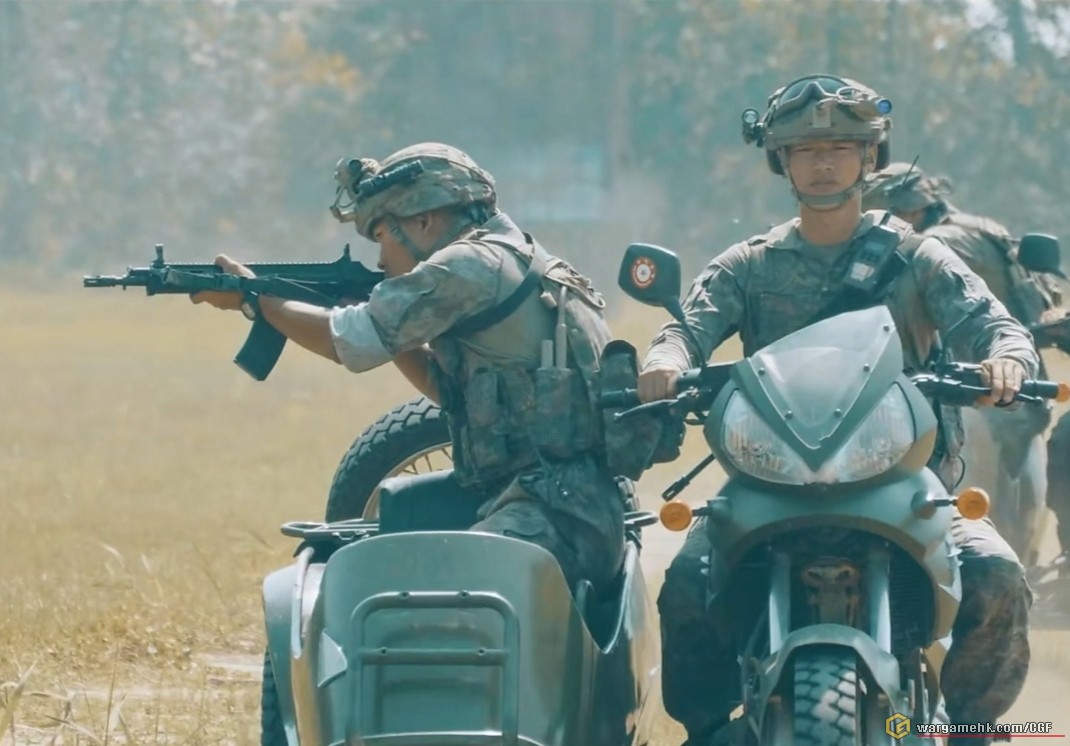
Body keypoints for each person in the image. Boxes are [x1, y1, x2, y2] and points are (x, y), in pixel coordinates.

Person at [637, 76, 1037, 745]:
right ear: (782, 161)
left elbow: (996, 326)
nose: (823, 164)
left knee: (996, 575)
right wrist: (665, 360)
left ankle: (971, 728)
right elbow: (686, 327)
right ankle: (707, 731)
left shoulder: (918, 256)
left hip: (906, 481)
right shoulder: (749, 264)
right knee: (687, 581)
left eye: (840, 149)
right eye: (805, 150)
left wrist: (1008, 361)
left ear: (869, 157)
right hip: (770, 483)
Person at [191, 142, 632, 598]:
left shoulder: (468, 266)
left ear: (424, 221)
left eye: (383, 236)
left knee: (436, 594)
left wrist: (254, 299)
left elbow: (346, 343)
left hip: (556, 517)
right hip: (557, 500)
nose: (380, 260)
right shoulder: (516, 256)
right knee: (373, 533)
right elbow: (452, 394)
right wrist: (393, 327)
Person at [863, 163, 1070, 569]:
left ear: (910, 210)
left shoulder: (933, 248)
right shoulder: (982, 229)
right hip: (1018, 385)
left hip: (976, 391)